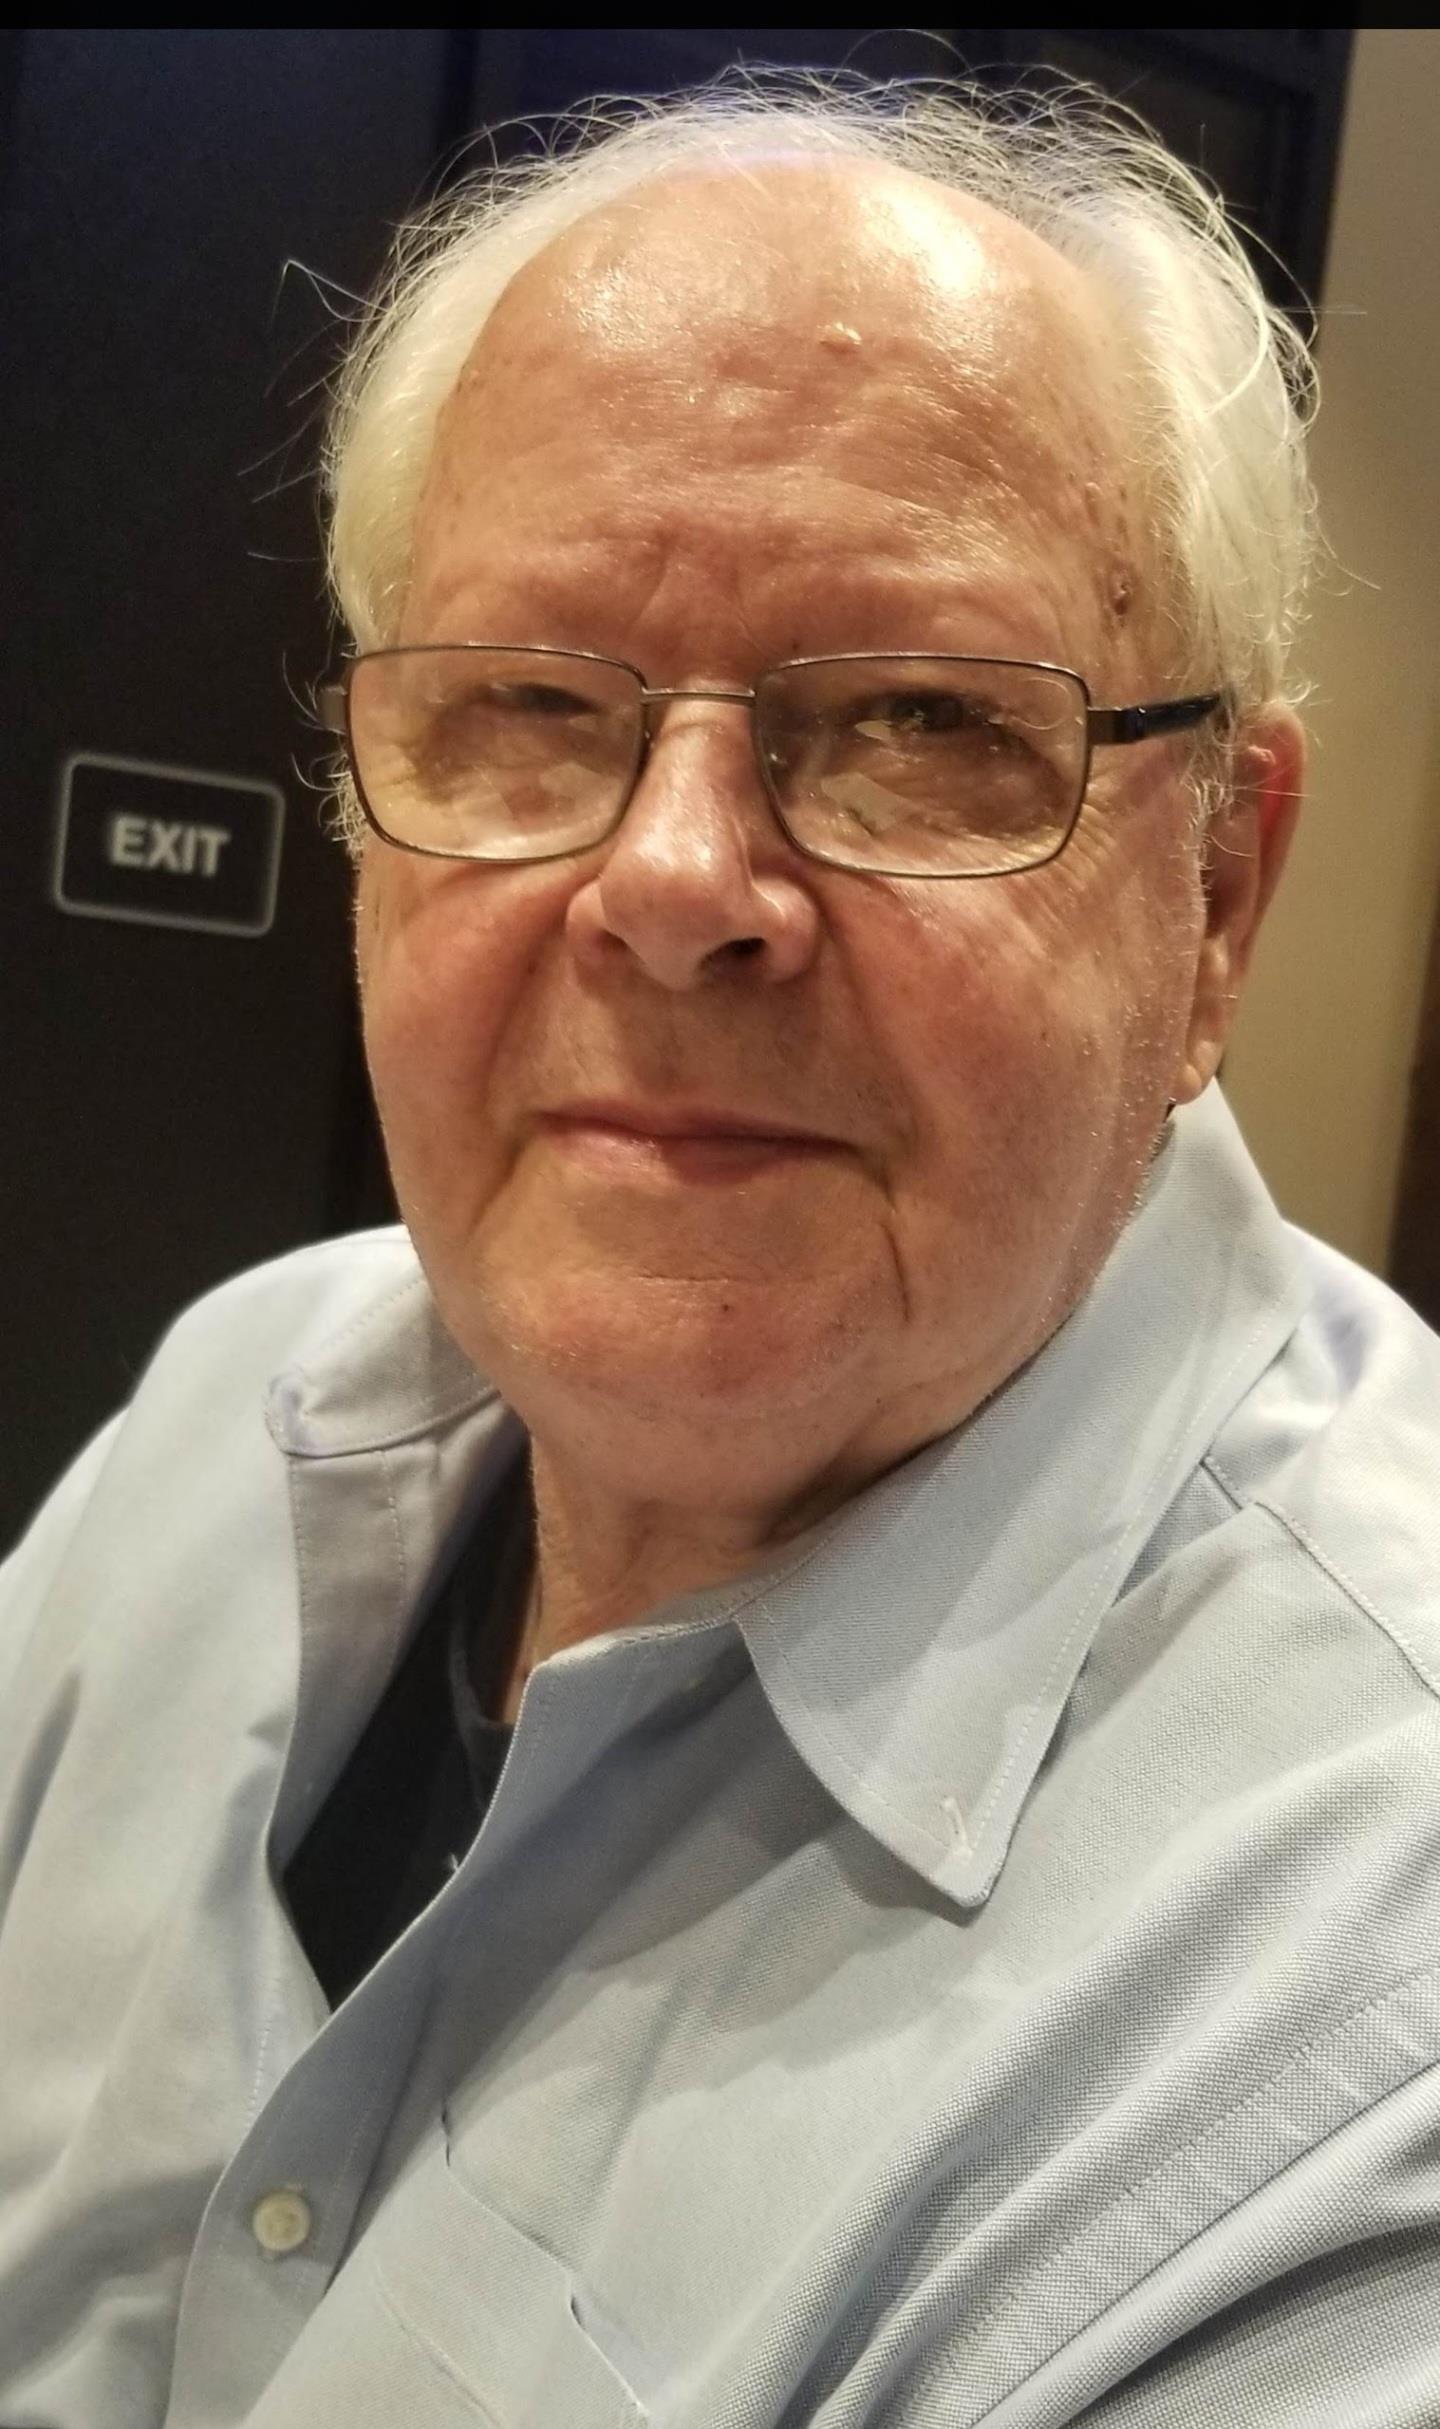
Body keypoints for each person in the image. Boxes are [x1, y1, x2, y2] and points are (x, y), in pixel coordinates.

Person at [3, 72, 1439, 2429]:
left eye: (921, 722)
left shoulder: (1371, 2012)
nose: (673, 884)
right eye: (526, 705)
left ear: (1218, 895)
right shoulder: (225, 1423)